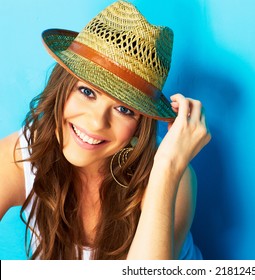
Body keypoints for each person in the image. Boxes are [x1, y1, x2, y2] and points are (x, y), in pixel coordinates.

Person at [0, 0, 210, 260]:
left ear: (139, 125)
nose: (97, 122)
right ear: (62, 87)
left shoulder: (173, 175)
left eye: (125, 110)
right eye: (87, 92)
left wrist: (166, 167)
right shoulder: (20, 154)